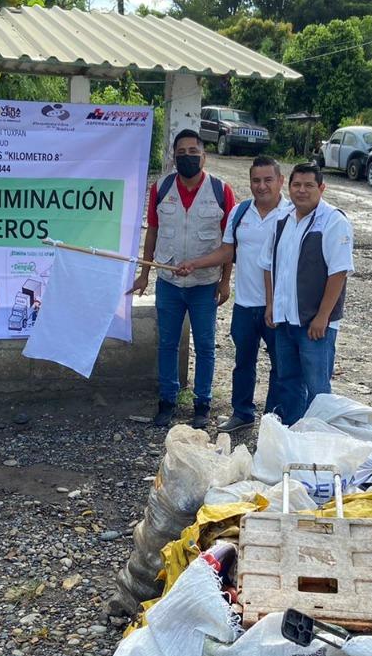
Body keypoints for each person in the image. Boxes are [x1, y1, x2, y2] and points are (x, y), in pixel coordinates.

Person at [175, 156, 292, 433]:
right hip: (245, 304)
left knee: (280, 366)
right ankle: (243, 413)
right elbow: (227, 252)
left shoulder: (291, 215)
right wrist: (195, 263)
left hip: (280, 306)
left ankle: (273, 420)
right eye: (256, 180)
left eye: (268, 180)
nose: (261, 186)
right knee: (243, 362)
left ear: (280, 181)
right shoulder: (239, 213)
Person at [129, 129, 236, 429]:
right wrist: (145, 274)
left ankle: (202, 405)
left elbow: (230, 242)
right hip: (169, 283)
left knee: (204, 345)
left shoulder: (220, 190)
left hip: (205, 285)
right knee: (167, 343)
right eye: (181, 152)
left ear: (204, 155)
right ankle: (167, 402)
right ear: (173, 157)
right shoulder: (161, 188)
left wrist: (225, 281)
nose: (187, 156)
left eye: (193, 151)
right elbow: (153, 230)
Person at [259, 163, 354, 426]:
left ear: (321, 188)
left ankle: (319, 442)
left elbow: (339, 272)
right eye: (296, 185)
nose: (302, 191)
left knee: (317, 389)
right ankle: (292, 436)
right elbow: (269, 265)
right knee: (288, 382)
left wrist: (322, 316)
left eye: (309, 185)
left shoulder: (333, 221)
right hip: (285, 320)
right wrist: (271, 305)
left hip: (315, 325)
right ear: (288, 187)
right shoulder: (282, 220)